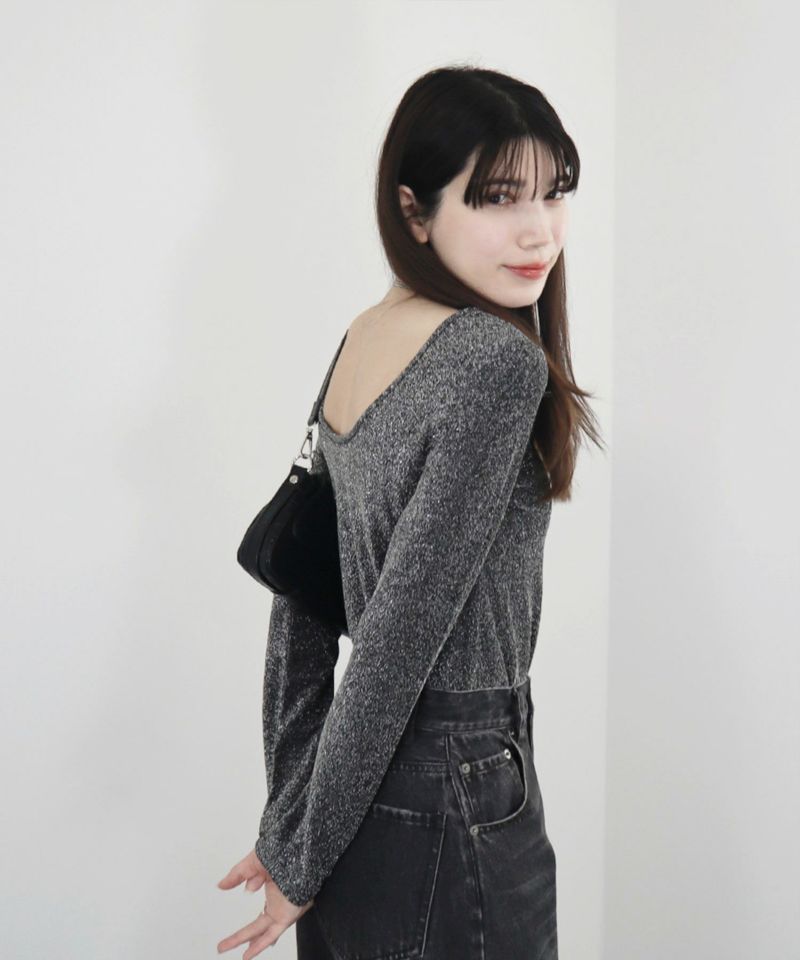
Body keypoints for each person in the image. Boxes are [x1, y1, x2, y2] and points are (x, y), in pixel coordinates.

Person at [217, 64, 603, 960]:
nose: (539, 229)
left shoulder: (365, 334)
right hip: (456, 791)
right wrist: (300, 848)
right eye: (498, 197)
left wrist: (296, 818)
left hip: (355, 789)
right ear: (414, 211)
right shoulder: (493, 362)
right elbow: (393, 643)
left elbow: (301, 598)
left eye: (554, 191)